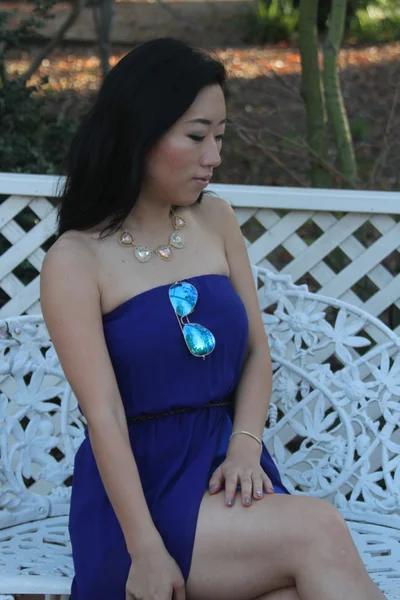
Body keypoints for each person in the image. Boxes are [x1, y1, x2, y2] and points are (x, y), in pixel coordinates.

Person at [40, 37, 386, 600]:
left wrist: (246, 447)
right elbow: (102, 415)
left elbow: (255, 352)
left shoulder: (216, 219)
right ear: (139, 133)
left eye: (220, 137)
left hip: (227, 470)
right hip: (139, 501)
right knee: (317, 527)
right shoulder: (75, 260)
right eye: (197, 136)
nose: (214, 157)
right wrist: (146, 550)